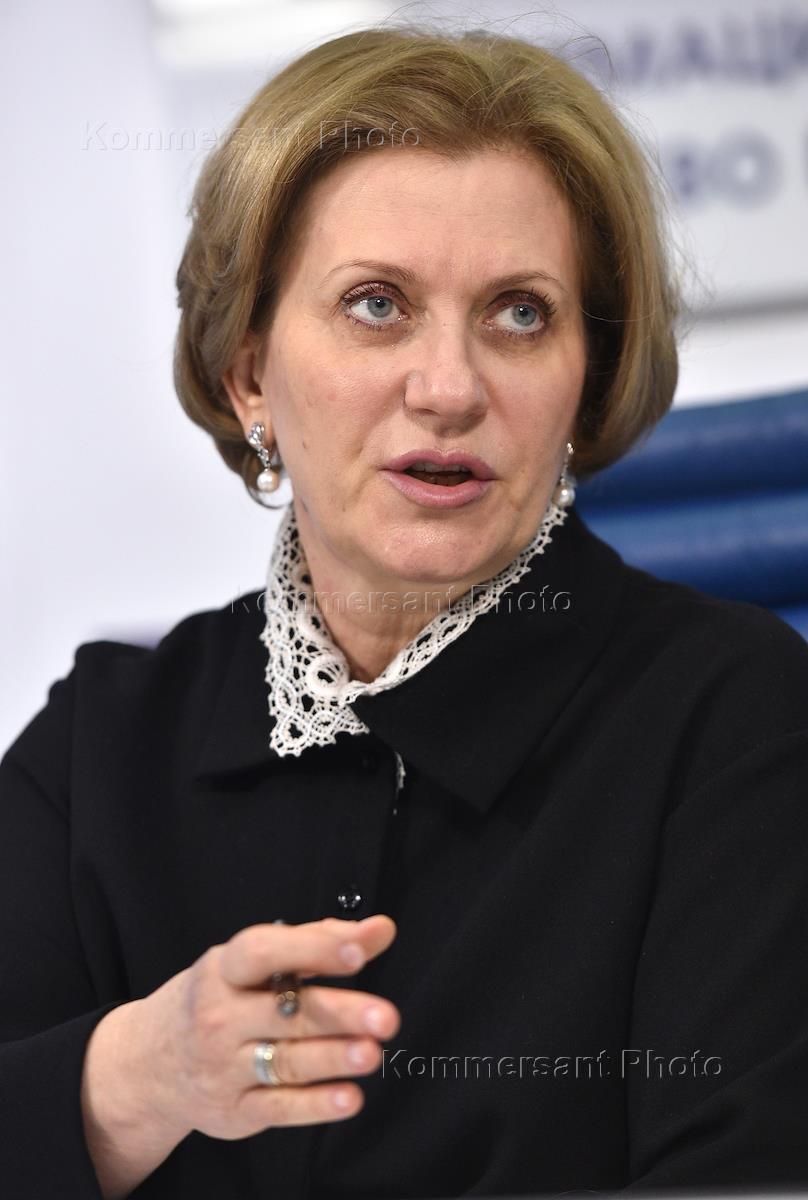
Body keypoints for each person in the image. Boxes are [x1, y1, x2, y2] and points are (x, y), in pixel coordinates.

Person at [2, 21, 808, 1200]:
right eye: (377, 304)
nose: (448, 388)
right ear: (248, 373)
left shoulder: (737, 719)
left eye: (519, 313)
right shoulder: (103, 742)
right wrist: (131, 1080)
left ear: (585, 382)